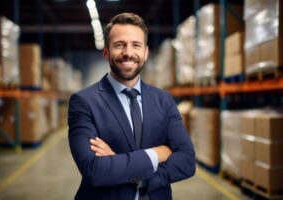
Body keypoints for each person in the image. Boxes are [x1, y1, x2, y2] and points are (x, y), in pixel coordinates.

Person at [68, 12, 196, 200]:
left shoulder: (163, 100)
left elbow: (186, 161)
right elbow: (95, 170)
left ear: (145, 53)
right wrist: (156, 153)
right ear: (106, 52)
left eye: (136, 45)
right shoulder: (84, 102)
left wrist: (140, 179)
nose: (128, 52)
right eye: (119, 45)